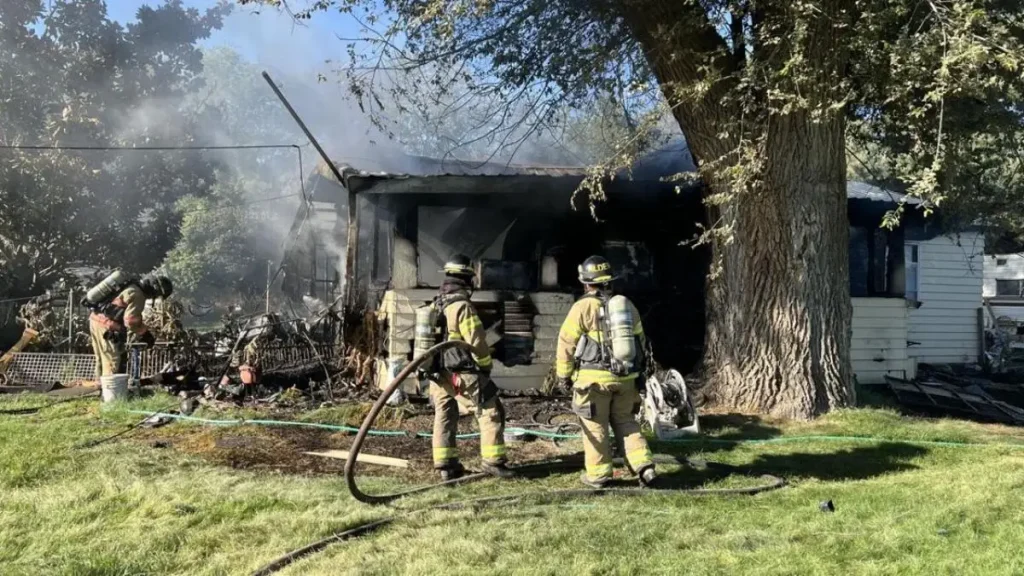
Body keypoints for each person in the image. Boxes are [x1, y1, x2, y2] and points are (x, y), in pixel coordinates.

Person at [555, 255, 655, 488]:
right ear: (610, 281)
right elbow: (640, 343)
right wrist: (639, 376)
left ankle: (599, 476)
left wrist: (563, 376)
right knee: (627, 422)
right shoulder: (626, 305)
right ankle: (644, 467)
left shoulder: (582, 307)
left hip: (592, 383)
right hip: (625, 380)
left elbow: (566, 343)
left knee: (594, 426)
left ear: (586, 283)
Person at [428, 254, 513, 481]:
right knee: (490, 411)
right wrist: (485, 368)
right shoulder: (462, 307)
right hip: (461, 371)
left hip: (438, 373)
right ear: (467, 279)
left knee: (445, 414)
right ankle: (493, 462)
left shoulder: (437, 302)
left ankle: (446, 465)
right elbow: (477, 342)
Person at [88, 274, 173, 379]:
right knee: (112, 361)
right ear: (154, 289)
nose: (153, 297)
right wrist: (145, 333)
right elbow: (131, 321)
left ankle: (100, 389)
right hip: (107, 326)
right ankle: (113, 393)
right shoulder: (138, 295)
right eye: (156, 295)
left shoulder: (132, 286)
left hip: (96, 320)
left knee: (101, 359)